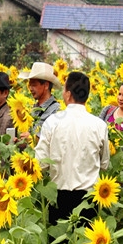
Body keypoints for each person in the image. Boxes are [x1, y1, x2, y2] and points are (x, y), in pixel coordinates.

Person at [35, 71, 110, 230]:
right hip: (89, 199)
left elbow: (40, 163)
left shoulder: (52, 122)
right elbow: (104, 163)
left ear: (68, 94)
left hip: (58, 196)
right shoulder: (99, 125)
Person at [18, 62, 61, 144]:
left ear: (46, 85)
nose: (30, 88)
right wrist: (21, 142)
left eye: (34, 85)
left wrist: (32, 139)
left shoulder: (56, 110)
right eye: (29, 85)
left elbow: (54, 140)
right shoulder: (33, 109)